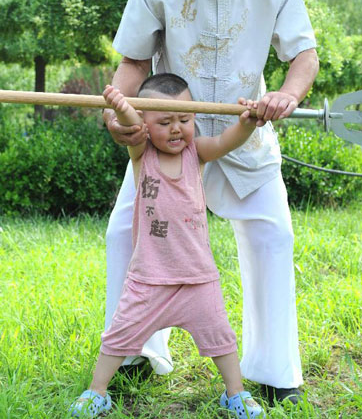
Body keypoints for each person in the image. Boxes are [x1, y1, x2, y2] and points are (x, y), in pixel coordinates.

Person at [103, 0, 319, 406]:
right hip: (168, 140)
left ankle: (272, 371)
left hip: (246, 134)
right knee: (124, 234)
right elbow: (133, 59)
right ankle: (133, 355)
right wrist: (119, 112)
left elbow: (303, 55)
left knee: (273, 237)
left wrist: (288, 95)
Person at [70, 73, 266, 418]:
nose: (177, 129)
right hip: (149, 277)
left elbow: (226, 142)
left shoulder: (197, 153)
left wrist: (248, 122)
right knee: (118, 336)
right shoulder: (141, 154)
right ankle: (96, 392)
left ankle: (235, 394)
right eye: (165, 121)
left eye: (184, 119)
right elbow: (133, 124)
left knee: (221, 338)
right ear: (145, 124)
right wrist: (124, 107)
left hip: (196, 276)